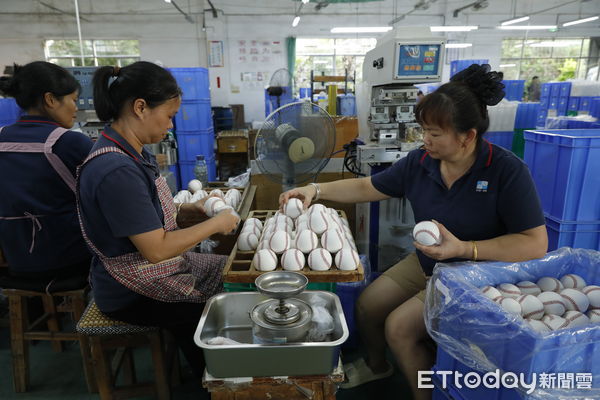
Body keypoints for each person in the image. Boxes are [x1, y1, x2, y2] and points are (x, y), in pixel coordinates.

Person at [279, 64, 547, 400]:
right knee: (368, 305)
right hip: (429, 263)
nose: (425, 140)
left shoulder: (506, 171)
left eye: (435, 133)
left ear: (467, 136)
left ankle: (425, 395)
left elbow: (535, 243)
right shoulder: (422, 162)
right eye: (423, 130)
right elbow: (367, 187)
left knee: (399, 329)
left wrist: (464, 249)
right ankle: (378, 366)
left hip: (475, 275)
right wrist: (315, 191)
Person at [77, 62, 240, 378]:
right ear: (140, 107)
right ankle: (219, 380)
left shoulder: (131, 153)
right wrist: (216, 224)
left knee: (229, 272)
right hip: (129, 290)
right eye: (168, 116)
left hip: (147, 271)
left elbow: (147, 220)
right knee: (205, 311)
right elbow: (156, 250)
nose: (171, 125)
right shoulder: (116, 170)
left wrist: (195, 211)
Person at [0, 61, 93, 288]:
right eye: (72, 99)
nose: (76, 108)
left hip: (15, 261)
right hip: (70, 261)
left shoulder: (2, 137)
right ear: (51, 100)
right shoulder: (70, 142)